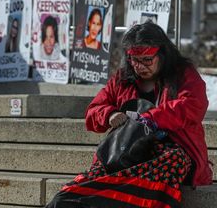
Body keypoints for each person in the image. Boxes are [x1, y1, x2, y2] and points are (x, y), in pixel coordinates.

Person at [46, 21, 212, 208]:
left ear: (163, 54)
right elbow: (93, 110)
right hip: (127, 149)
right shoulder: (122, 79)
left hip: (170, 150)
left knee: (174, 159)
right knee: (66, 197)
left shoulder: (184, 74)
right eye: (135, 60)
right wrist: (109, 114)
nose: (140, 66)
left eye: (147, 60)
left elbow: (192, 105)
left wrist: (150, 118)